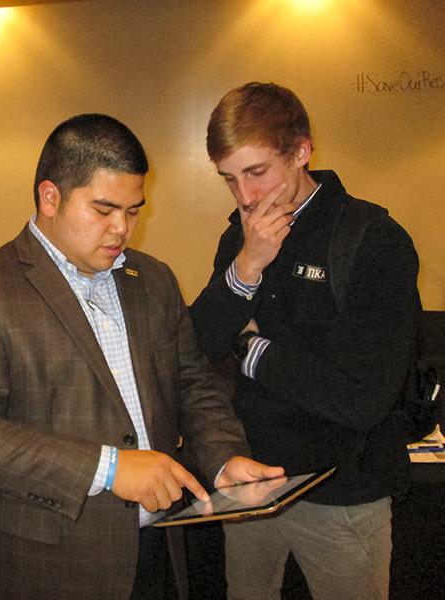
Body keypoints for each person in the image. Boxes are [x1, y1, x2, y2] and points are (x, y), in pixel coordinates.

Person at [0, 113, 282, 600]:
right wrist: (109, 468)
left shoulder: (152, 279)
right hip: (48, 566)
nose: (122, 229)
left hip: (156, 552)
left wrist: (224, 458)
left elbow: (194, 384)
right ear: (50, 197)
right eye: (104, 209)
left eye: (134, 211)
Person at [190, 82, 420, 600]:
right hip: (250, 481)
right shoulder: (239, 233)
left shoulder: (372, 238)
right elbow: (201, 342)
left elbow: (360, 398)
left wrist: (251, 351)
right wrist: (247, 263)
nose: (246, 196)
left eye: (257, 172)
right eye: (229, 179)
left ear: (301, 151)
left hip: (343, 492)